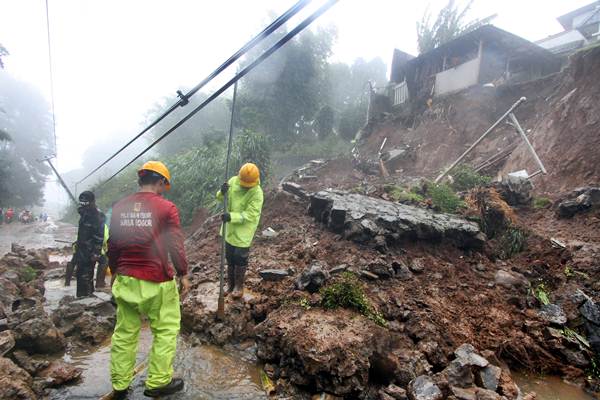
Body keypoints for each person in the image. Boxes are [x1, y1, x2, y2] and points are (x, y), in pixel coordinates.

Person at [107, 161, 189, 399]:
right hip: (157, 281)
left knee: (124, 334)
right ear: (160, 182)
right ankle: (157, 383)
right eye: (165, 185)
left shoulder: (120, 207)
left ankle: (120, 386)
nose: (164, 189)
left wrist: (114, 273)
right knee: (165, 330)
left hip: (125, 278)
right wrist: (183, 274)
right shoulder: (166, 208)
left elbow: (113, 245)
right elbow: (175, 243)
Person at [217, 162, 264, 299]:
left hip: (244, 230)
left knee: (240, 257)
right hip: (230, 228)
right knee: (229, 256)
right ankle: (230, 285)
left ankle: (238, 286)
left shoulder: (257, 193)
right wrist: (222, 192)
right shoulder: (232, 181)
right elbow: (221, 198)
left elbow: (250, 215)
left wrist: (231, 216)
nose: (244, 186)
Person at [73, 191, 105, 297]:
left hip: (90, 251)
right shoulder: (84, 213)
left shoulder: (97, 215)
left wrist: (96, 252)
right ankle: (82, 296)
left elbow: (99, 236)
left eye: (86, 203)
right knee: (80, 273)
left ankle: (87, 297)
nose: (84, 206)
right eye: (82, 203)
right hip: (81, 249)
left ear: (92, 202)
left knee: (86, 275)